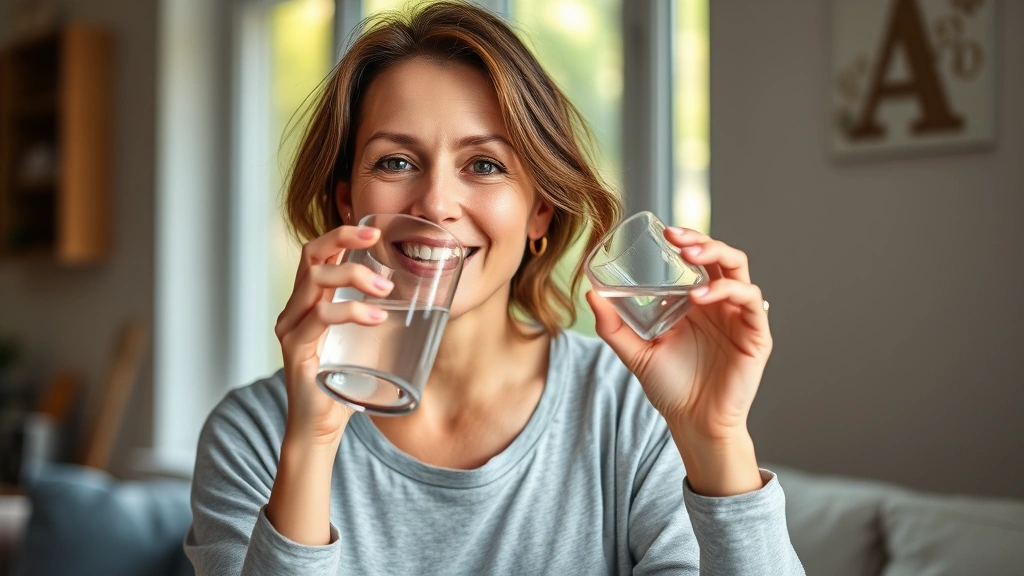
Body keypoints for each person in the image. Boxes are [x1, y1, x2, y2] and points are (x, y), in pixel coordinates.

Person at [184, 2, 804, 574]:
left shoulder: (632, 412)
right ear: (348, 203)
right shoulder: (255, 433)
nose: (435, 203)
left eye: (484, 165)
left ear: (540, 213)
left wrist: (714, 439)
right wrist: (312, 444)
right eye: (396, 162)